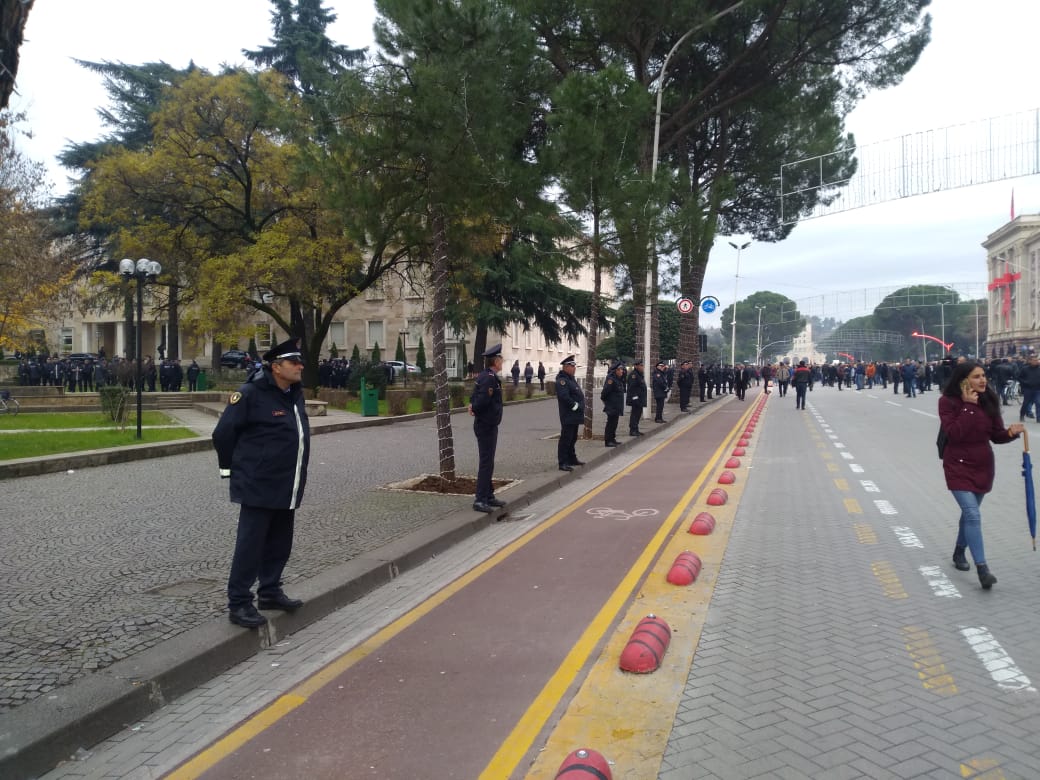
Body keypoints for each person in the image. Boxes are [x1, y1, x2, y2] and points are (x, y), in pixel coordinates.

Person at [212, 338, 311, 628]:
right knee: (250, 545)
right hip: (258, 484)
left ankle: (269, 591)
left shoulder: (294, 394)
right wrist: (231, 470)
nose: (300, 366)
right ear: (276, 367)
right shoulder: (250, 394)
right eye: (294, 362)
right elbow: (223, 434)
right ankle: (239, 602)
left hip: (288, 483)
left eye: (300, 361)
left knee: (280, 543)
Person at [939, 360, 1023, 589]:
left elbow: (996, 436)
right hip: (957, 465)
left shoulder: (989, 400)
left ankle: (959, 551)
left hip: (983, 466)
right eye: (976, 376)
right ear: (963, 380)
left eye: (984, 375)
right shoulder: (948, 402)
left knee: (970, 514)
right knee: (973, 514)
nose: (983, 380)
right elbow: (954, 434)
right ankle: (983, 569)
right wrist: (967, 406)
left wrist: (1011, 433)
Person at [469, 344, 505, 513]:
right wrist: (474, 408)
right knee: (486, 462)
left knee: (488, 462)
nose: (502, 362)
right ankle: (480, 499)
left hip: (488, 424)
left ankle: (489, 495)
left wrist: (472, 406)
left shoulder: (486, 376)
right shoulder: (489, 378)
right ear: (496, 361)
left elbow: (474, 396)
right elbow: (482, 399)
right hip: (486, 425)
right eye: (501, 359)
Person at [555, 355, 585, 471]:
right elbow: (564, 397)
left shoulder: (570, 379)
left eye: (574, 366)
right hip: (568, 414)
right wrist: (575, 406)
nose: (574, 368)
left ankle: (571, 458)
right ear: (566, 367)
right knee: (566, 439)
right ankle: (562, 462)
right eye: (572, 366)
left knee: (573, 438)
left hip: (575, 415)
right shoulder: (562, 381)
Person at [601, 360, 626, 447]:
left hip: (616, 406)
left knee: (614, 423)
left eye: (622, 369)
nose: (622, 371)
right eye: (620, 369)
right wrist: (607, 403)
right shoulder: (611, 380)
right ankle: (608, 441)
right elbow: (604, 393)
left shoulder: (617, 379)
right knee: (610, 423)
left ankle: (612, 439)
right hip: (612, 406)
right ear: (616, 370)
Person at [627, 358, 647, 436]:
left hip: (640, 399)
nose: (642, 367)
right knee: (634, 414)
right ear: (636, 366)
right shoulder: (634, 375)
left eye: (642, 365)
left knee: (638, 414)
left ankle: (636, 429)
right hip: (636, 399)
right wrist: (635, 398)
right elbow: (632, 388)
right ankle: (632, 430)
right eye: (641, 365)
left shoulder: (639, 375)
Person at [1019, 353, 1040, 422]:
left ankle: (1038, 418)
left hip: (1038, 389)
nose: (1036, 361)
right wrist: (1025, 382)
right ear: (1030, 361)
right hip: (1028, 389)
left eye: (1036, 360)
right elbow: (1019, 378)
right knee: (1026, 403)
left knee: (1038, 402)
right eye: (1034, 360)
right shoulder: (1025, 369)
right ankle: (1022, 415)